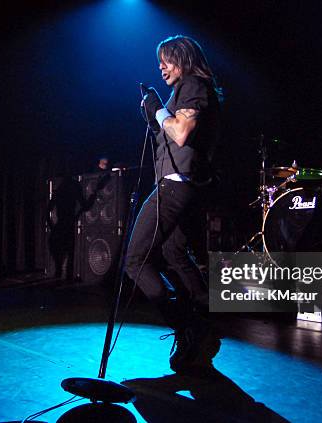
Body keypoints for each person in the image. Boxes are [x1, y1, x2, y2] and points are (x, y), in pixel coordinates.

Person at [126, 35, 222, 372]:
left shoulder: (193, 84)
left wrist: (156, 110)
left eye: (166, 60)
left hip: (176, 186)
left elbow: (181, 133)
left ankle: (186, 325)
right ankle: (205, 316)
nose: (161, 67)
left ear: (182, 58)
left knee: (135, 259)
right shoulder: (189, 88)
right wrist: (155, 113)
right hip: (183, 185)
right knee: (174, 253)